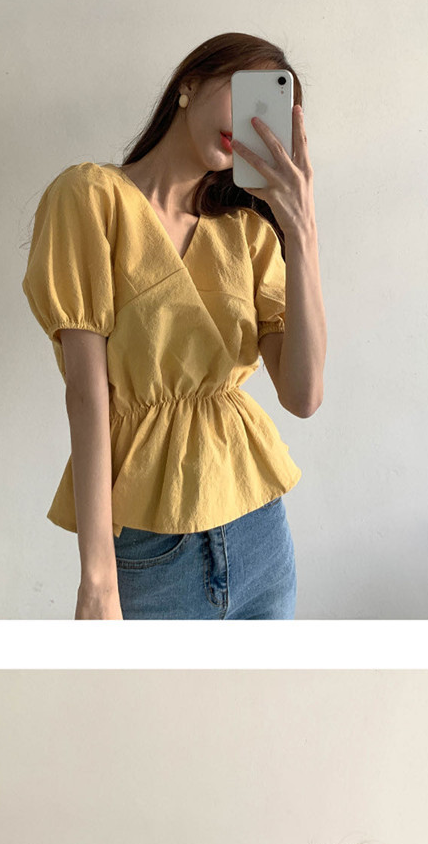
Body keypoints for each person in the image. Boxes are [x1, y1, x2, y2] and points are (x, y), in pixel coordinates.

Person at [22, 31, 325, 619]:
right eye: (243, 91)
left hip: (260, 540)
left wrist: (302, 231)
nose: (252, 122)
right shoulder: (92, 198)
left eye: (269, 111)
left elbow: (304, 395)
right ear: (190, 82)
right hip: (152, 556)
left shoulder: (247, 232)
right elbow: (86, 396)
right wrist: (97, 581)